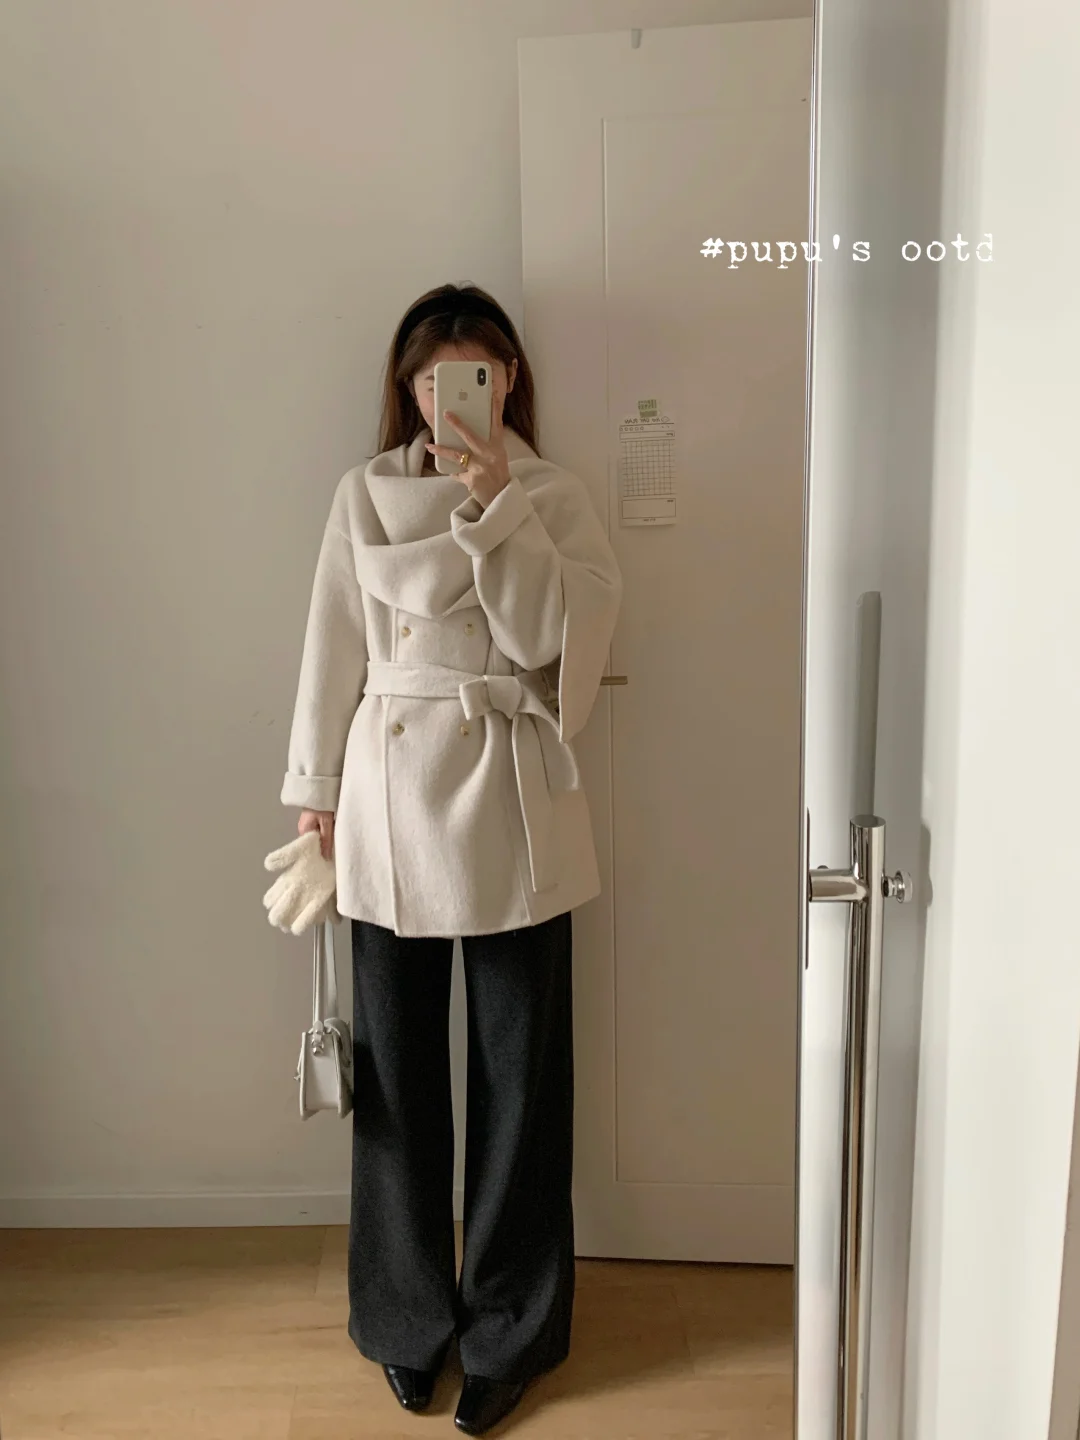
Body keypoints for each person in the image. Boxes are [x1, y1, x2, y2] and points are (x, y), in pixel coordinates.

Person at [279, 282, 623, 1435]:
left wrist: (498, 505)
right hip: (388, 804)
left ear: (511, 378)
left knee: (523, 1088)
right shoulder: (363, 493)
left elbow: (551, 648)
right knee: (399, 1087)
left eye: (475, 372)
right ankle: (404, 1321)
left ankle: (512, 1332)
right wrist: (314, 798)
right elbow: (332, 642)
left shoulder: (554, 496)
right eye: (432, 378)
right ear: (408, 387)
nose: (452, 397)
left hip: (515, 796)